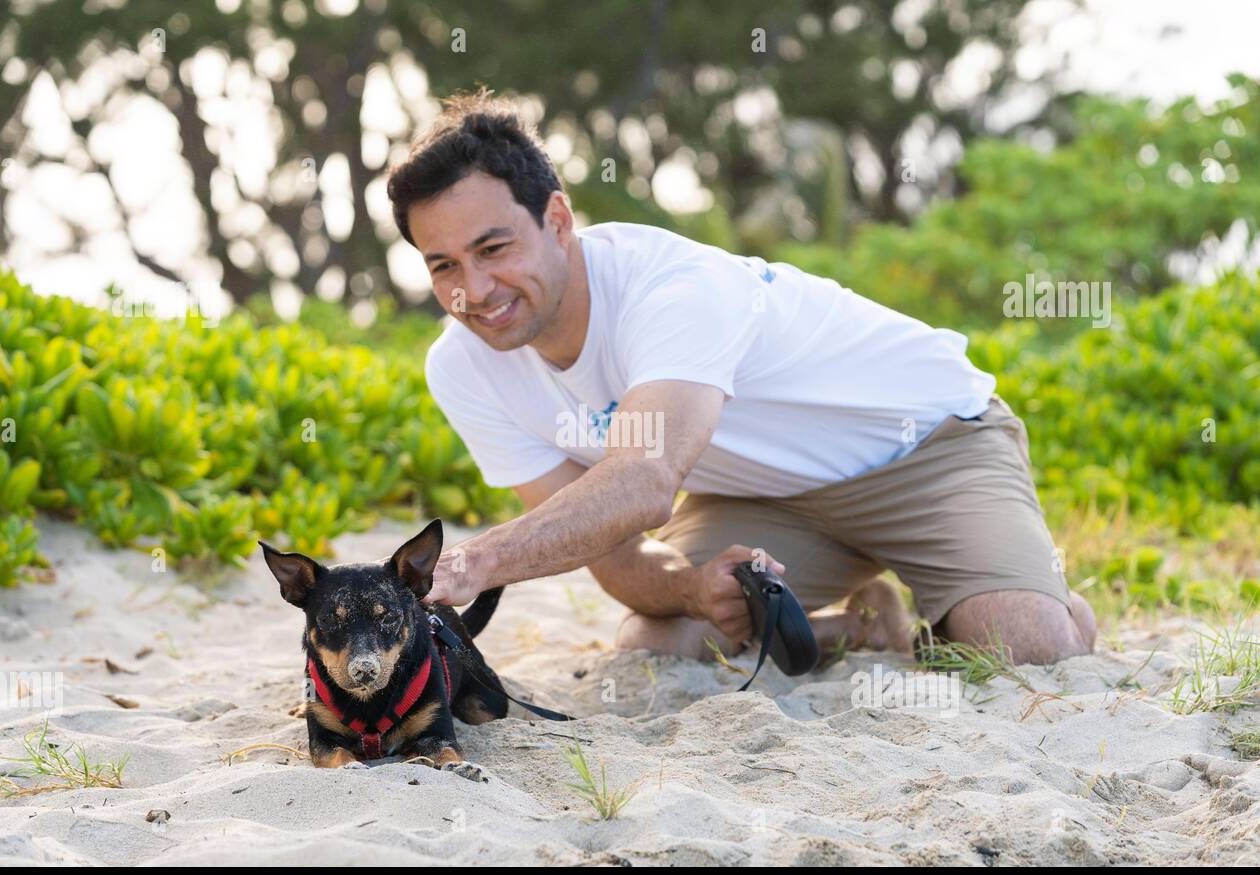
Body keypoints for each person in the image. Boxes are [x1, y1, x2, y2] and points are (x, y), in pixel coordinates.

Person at [384, 91, 1096, 667]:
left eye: (494, 248)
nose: (473, 290)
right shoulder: (461, 365)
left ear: (559, 219)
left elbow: (645, 478)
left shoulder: (672, 289)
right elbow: (617, 551)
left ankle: (1036, 596)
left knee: (1027, 648)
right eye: (443, 264)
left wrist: (477, 562)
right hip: (766, 497)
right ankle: (855, 626)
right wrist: (691, 589)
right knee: (660, 646)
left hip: (928, 449)